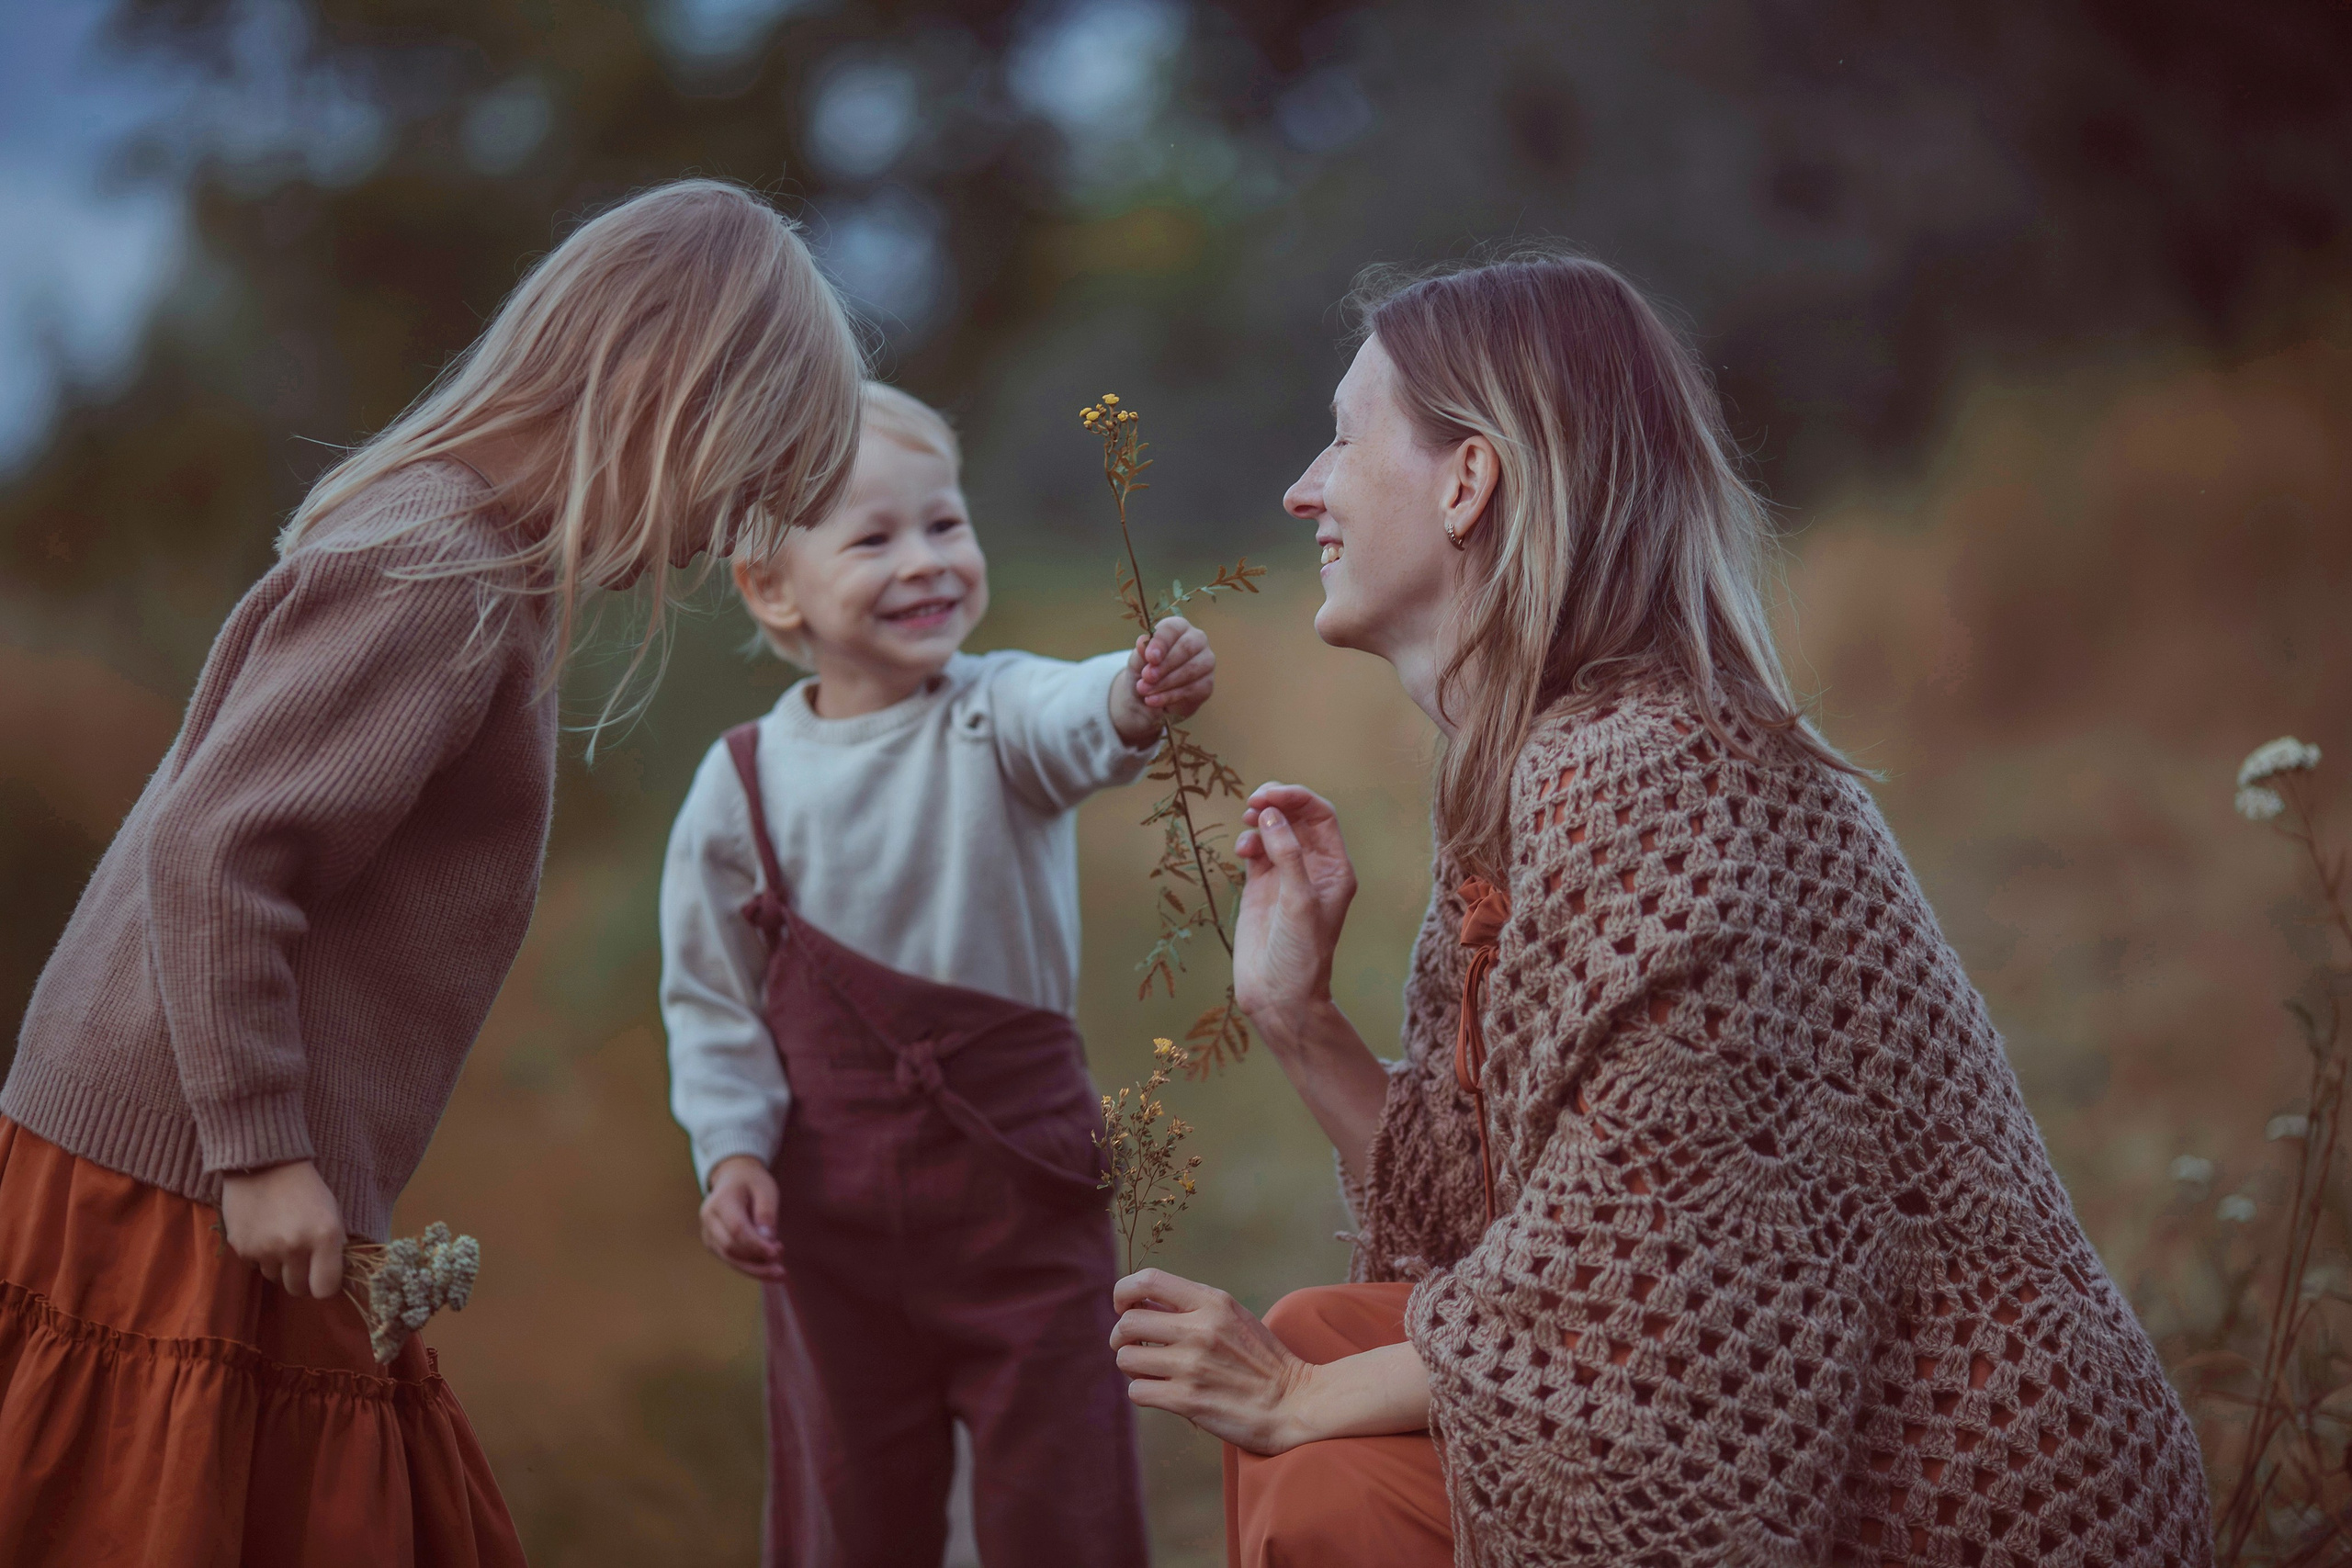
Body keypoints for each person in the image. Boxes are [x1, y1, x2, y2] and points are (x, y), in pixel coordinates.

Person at [1105, 251, 2214, 1567]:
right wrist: (1296, 1021)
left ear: (1470, 483)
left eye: (1344, 442)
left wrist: (1292, 1408)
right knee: (1325, 1337)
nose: (1304, 489)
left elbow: (1632, 1317)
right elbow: (1504, 1241)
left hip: (1962, 1517)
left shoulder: (1655, 784)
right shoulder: (1544, 767)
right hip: (1785, 1419)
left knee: (1329, 1464)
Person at [0, 178, 864, 1568]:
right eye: (741, 485)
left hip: (228, 1173)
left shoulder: (484, 583)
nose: (726, 541)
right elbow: (216, 850)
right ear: (664, 405)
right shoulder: (437, 581)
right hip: (179, 1181)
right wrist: (266, 1150)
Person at [659, 380, 1211, 1567]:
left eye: (945, 524)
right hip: (833, 1215)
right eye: (873, 538)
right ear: (772, 589)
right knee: (855, 1498)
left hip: (1022, 1185)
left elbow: (1076, 712)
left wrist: (1133, 689)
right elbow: (713, 1003)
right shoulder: (743, 781)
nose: (926, 562)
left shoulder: (992, 713)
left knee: (1058, 1485)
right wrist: (734, 1151)